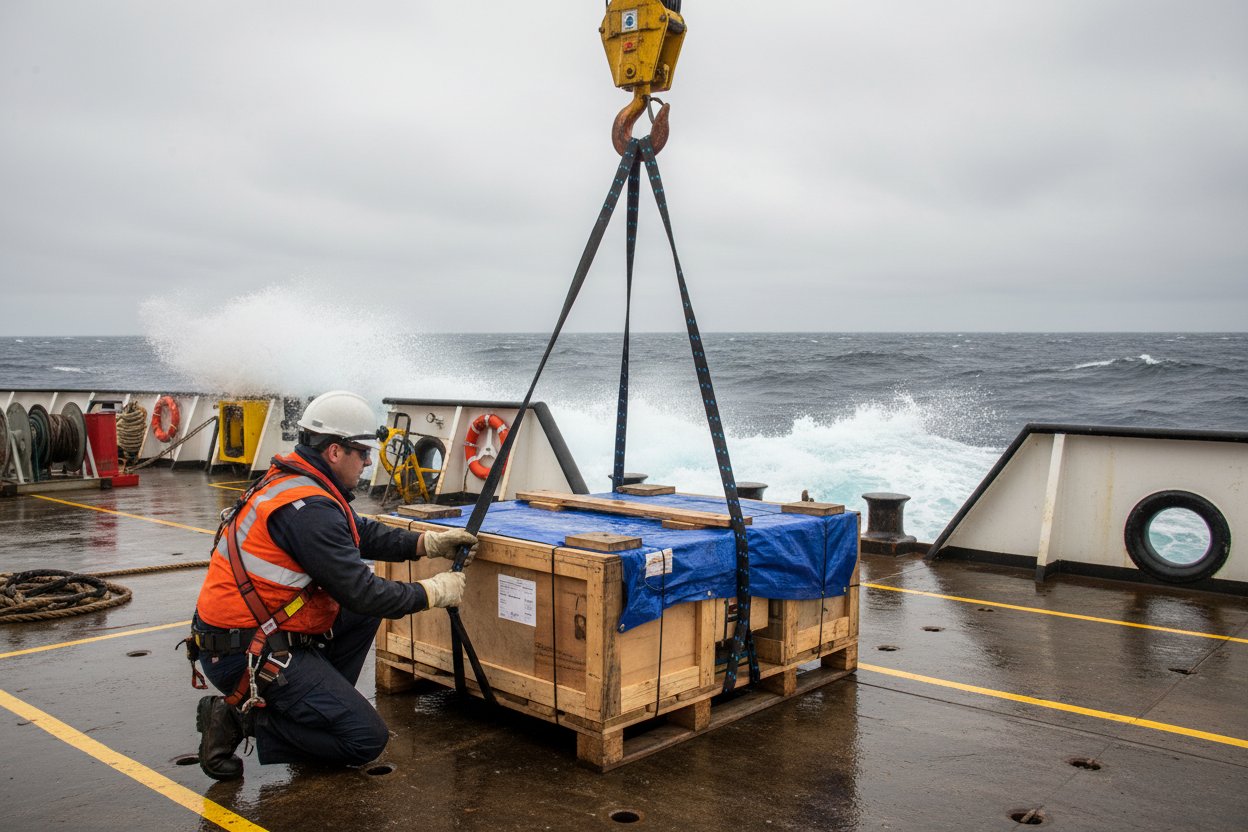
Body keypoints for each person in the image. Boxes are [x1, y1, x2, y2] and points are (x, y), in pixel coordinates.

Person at [189, 390, 477, 780]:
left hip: (251, 633)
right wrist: (434, 591)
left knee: (358, 615)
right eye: (363, 452)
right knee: (364, 739)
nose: (369, 461)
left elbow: (359, 532)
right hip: (247, 652)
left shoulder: (298, 482)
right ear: (335, 451)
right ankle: (235, 720)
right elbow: (363, 592)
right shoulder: (308, 510)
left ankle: (319, 706)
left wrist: (426, 543)